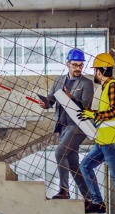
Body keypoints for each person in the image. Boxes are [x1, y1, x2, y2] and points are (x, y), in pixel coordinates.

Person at [77, 53, 115, 214]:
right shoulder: (105, 88)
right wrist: (91, 116)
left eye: (95, 70)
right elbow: (105, 115)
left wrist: (93, 114)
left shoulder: (113, 86)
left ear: (101, 71)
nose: (94, 73)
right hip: (104, 141)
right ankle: (98, 203)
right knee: (85, 166)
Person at [39, 48, 94, 205]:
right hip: (62, 127)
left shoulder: (87, 83)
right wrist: (45, 104)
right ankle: (90, 198)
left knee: (60, 152)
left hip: (77, 126)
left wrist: (71, 98)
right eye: (75, 65)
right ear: (67, 64)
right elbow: (51, 100)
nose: (78, 68)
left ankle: (64, 190)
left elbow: (86, 107)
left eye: (80, 65)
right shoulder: (58, 80)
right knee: (73, 164)